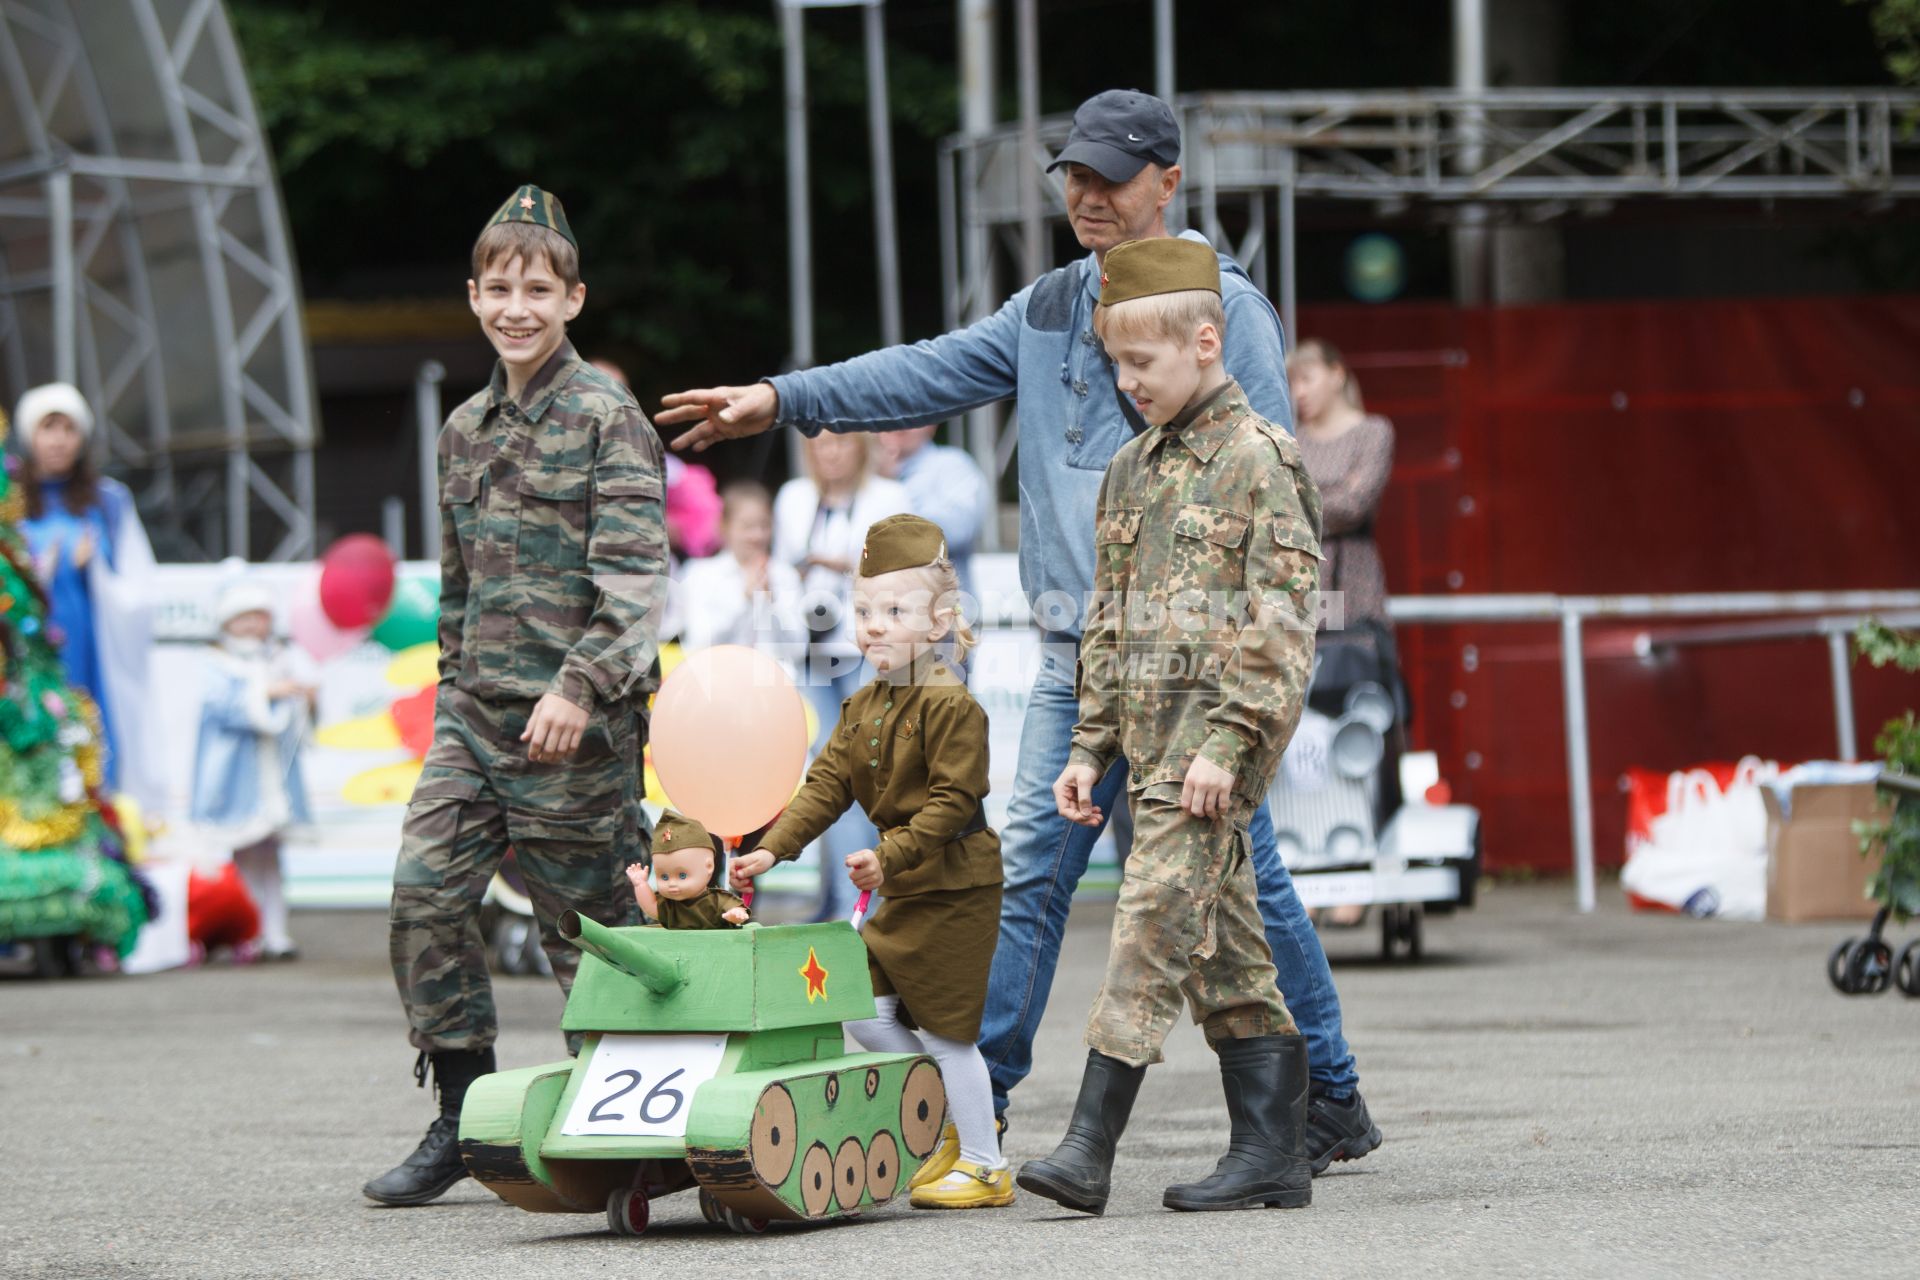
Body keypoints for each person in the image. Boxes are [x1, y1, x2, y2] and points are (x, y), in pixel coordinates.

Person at [658, 88, 1380, 1170]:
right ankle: (975, 1097)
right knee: (1032, 865)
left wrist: (1241, 694)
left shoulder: (1226, 309)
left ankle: (1323, 1098)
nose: (1085, 195)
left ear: (1168, 183)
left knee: (1239, 883)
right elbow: (926, 368)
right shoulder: (1046, 308)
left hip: (1189, 667)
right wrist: (783, 396)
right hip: (1072, 659)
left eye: (1110, 177)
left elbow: (1273, 509)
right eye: (1072, 176)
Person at [363, 185, 667, 1207]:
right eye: (499, 288)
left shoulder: (606, 419)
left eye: (538, 287)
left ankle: (628, 1128)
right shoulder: (463, 428)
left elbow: (633, 588)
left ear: (574, 298)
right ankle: (464, 1111)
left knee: (585, 938)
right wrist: (454, 691)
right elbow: (456, 585)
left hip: (576, 733)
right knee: (421, 899)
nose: (517, 306)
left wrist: (580, 688)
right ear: (473, 296)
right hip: (475, 718)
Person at [1020, 238, 1319, 1215]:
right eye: (1114, 362)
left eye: (1140, 363)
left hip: (1212, 755)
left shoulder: (1259, 459)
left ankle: (1089, 1145)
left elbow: (1283, 622)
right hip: (1147, 755)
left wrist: (1229, 744)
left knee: (1147, 920)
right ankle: (1275, 1151)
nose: (1124, 380)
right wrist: (1087, 745)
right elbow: (1104, 622)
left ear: (1204, 341)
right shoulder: (1130, 469)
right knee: (1227, 953)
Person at [731, 514, 1010, 1210]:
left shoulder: (953, 704)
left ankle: (986, 1163)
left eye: (894, 611)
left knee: (947, 1031)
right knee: (864, 1011)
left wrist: (889, 855)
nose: (874, 625)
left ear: (941, 620)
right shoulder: (862, 704)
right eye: (863, 611)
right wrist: (772, 846)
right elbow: (826, 784)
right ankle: (951, 1122)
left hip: (954, 889)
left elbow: (953, 802)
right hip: (905, 884)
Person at [772, 432, 910, 919]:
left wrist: (844, 567)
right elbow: (782, 576)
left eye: (840, 442)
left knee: (868, 775)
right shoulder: (792, 498)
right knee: (826, 778)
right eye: (819, 444)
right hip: (809, 653)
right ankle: (837, 901)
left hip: (867, 652)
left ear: (861, 447)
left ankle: (866, 908)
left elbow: (906, 574)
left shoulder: (889, 498)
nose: (829, 452)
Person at [1289, 338, 1403, 900]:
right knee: (1302, 741)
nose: (1298, 393)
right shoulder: (1293, 440)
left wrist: (1297, 502)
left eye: (1306, 379)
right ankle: (1309, 861)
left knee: (1366, 729)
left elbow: (1355, 502)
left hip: (1354, 602)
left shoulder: (1372, 430)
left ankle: (1369, 870)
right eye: (1293, 383)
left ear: (1337, 374)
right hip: (1300, 607)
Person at [14, 383, 159, 806]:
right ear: (29, 435)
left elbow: (137, 583)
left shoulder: (108, 500)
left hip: (93, 648)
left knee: (93, 735)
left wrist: (94, 570)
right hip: (32, 648)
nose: (58, 439)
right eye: (48, 427)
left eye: (68, 428)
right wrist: (40, 567)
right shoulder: (11, 501)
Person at [189, 578, 317, 961]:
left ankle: (275, 932)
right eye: (242, 618)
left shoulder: (278, 658)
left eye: (257, 617)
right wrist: (265, 693)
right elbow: (220, 707)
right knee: (242, 857)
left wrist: (303, 698)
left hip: (273, 776)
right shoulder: (217, 663)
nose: (251, 626)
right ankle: (248, 932)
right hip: (236, 779)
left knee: (272, 858)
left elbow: (293, 719)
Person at [674, 480, 804, 662]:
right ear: (724, 526)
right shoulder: (700, 574)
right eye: (747, 526)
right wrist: (743, 600)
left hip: (774, 681)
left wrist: (771, 604)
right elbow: (698, 643)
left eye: (764, 525)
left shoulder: (785, 575)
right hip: (719, 680)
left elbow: (798, 650)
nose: (757, 535)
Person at [874, 425, 990, 596]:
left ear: (931, 425)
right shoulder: (856, 471)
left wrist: (889, 492)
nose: (898, 422)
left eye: (910, 411)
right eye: (888, 413)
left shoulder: (952, 464)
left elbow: (960, 529)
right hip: (877, 608)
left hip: (944, 613)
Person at [625, 811, 749, 928]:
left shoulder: (716, 901)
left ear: (709, 867)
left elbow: (736, 908)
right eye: (664, 877)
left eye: (682, 875)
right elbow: (651, 908)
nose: (672, 883)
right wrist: (640, 885)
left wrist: (735, 914)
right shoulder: (670, 905)